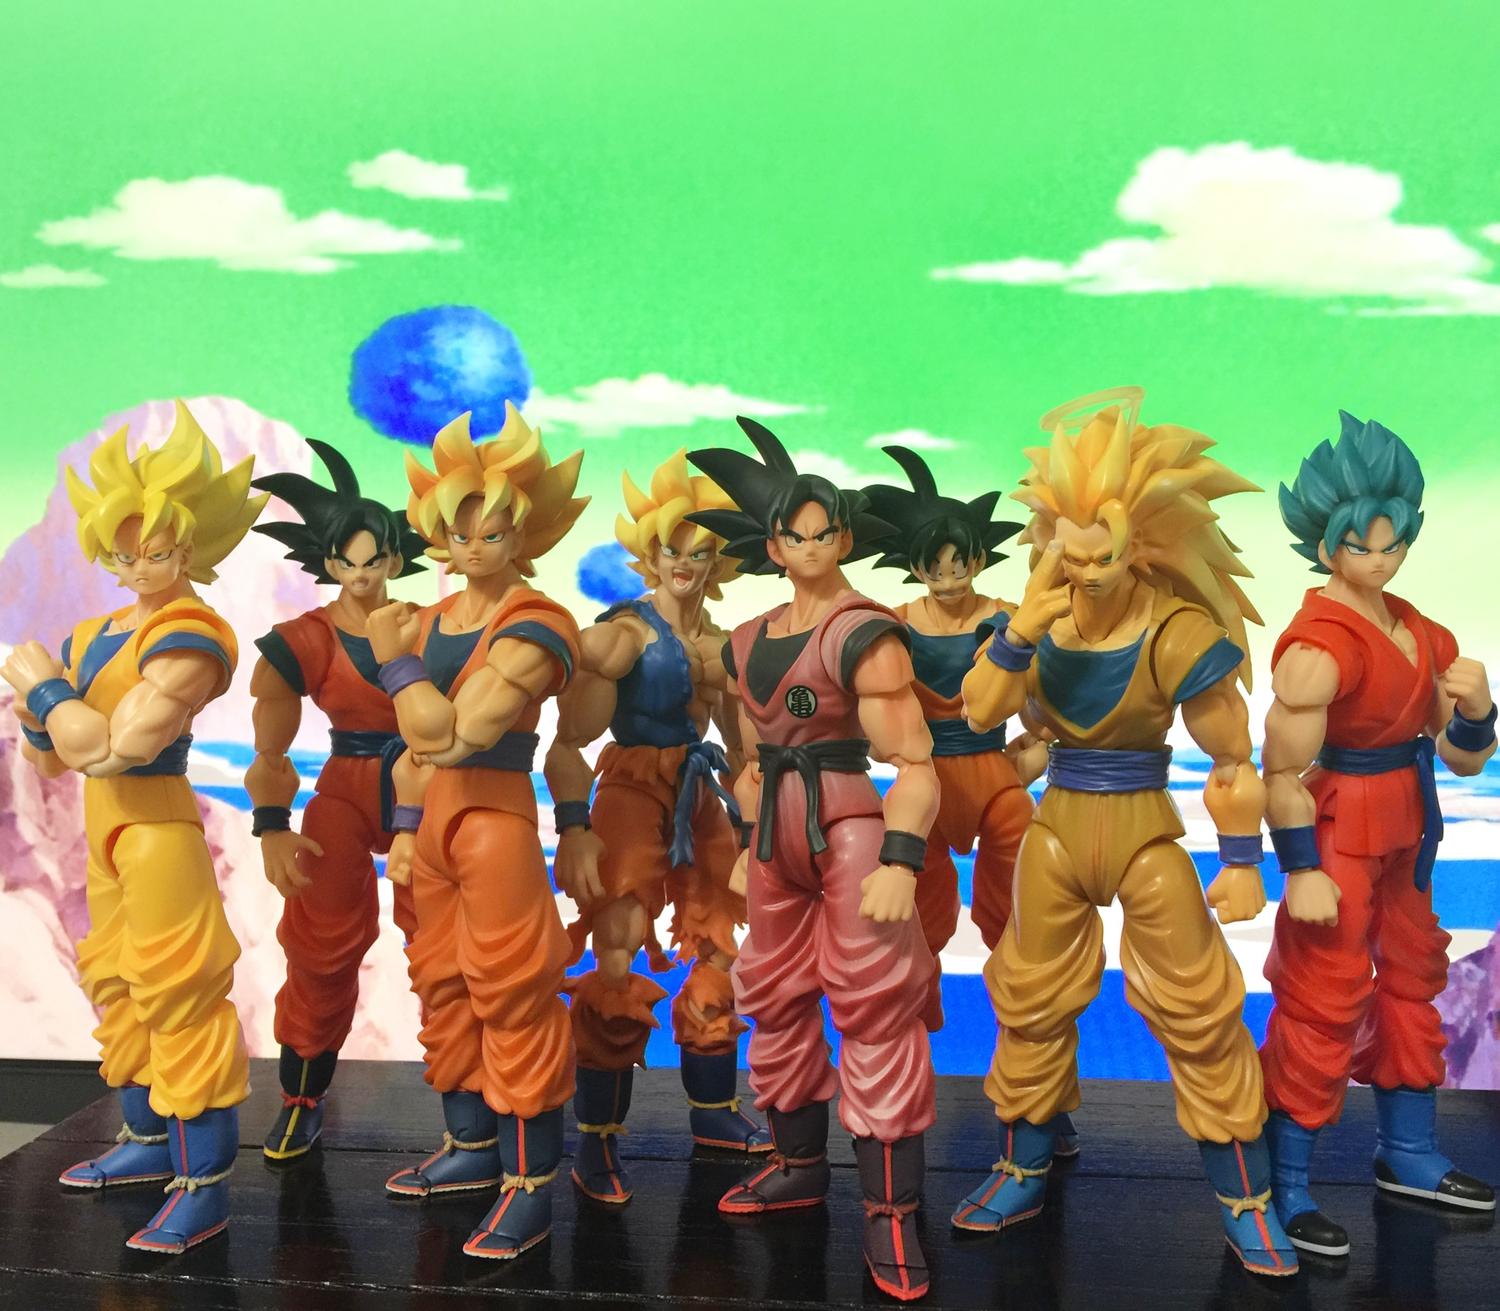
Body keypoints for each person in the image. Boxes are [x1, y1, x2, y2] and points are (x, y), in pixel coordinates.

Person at [952, 388, 1298, 1278]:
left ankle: (1246, 1198)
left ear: (1138, 539)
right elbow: (979, 712)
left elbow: (1232, 758)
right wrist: (1021, 629)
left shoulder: (1177, 631)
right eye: (1069, 551)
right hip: (1058, 828)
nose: (1086, 570)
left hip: (1145, 833)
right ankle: (1024, 1162)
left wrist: (1242, 861)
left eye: (1102, 553)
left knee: (1199, 1007)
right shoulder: (1036, 623)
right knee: (1029, 998)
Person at [686, 417, 941, 1302]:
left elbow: (914, 760)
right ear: (773, 545)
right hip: (774, 837)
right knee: (773, 992)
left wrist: (900, 859)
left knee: (874, 1004)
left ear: (843, 537)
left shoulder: (863, 631)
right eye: (792, 534)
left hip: (849, 824)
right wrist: (743, 840)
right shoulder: (748, 638)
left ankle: (891, 1211)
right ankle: (797, 1162)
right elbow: (752, 756)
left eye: (822, 531)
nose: (808, 545)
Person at [3, 402, 264, 1253]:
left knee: (180, 994)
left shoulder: (191, 631)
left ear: (189, 547)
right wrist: (44, 713)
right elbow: (52, 759)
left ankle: (203, 1185)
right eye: (124, 549)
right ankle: (148, 1140)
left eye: (156, 547)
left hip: (157, 830)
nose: (139, 563)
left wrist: (46, 691)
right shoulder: (92, 634)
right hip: (108, 836)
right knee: (118, 985)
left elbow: (119, 747)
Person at [1259, 411, 1497, 1257]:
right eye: (1364, 545)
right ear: (1329, 545)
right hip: (1339, 831)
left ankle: (1408, 1150)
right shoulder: (1319, 647)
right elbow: (1280, 769)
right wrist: (1300, 867)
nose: (1383, 560)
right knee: (1323, 994)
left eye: (1395, 544)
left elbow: (1461, 756)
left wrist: (1479, 709)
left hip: (1410, 827)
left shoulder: (1422, 630)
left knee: (1410, 977)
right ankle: (1284, 1180)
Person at [369, 404, 586, 1260]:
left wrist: (395, 663)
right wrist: (405, 826)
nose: (473, 546)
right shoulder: (428, 622)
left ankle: (528, 1186)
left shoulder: (539, 621)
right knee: (443, 982)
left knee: (513, 992)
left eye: (492, 531)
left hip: (495, 818)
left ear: (522, 535)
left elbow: (455, 734)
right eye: (460, 532)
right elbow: (413, 754)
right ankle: (469, 1147)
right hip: (433, 827)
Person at [547, 451, 769, 1206]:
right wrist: (574, 825)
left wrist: (755, 825)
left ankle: (713, 1111)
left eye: (701, 551)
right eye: (673, 547)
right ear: (651, 551)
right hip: (633, 787)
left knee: (718, 941)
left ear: (718, 562)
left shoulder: (724, 640)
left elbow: (745, 747)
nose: (686, 562)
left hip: (700, 789)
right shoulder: (625, 633)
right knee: (618, 944)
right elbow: (568, 740)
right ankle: (597, 1139)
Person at [246, 439, 428, 1159]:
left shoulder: (428, 625)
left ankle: (474, 1110)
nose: (360, 575)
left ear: (393, 561)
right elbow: (270, 747)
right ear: (329, 565)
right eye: (346, 562)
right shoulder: (309, 638)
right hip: (346, 788)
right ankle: (301, 1098)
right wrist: (270, 825)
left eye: (372, 560)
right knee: (320, 947)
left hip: (426, 785)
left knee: (445, 943)